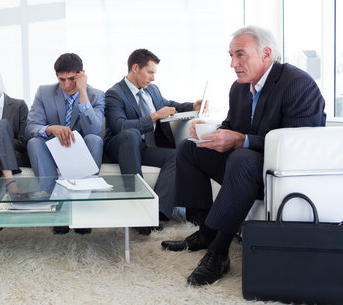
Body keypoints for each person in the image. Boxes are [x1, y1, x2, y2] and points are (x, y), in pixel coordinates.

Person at [161, 25, 326, 286]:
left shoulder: (298, 84)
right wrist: (210, 133)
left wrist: (241, 140)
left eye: (240, 55)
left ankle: (219, 252)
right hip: (243, 165)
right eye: (230, 55)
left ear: (266, 54)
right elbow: (231, 125)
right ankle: (205, 231)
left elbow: (297, 145)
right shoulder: (239, 88)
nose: (232, 63)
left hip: (277, 172)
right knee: (189, 148)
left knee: (241, 158)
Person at [104, 49, 204, 234]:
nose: (153, 78)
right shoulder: (115, 93)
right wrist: (154, 116)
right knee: (131, 134)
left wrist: (192, 106)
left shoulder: (152, 90)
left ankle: (154, 213)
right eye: (150, 72)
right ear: (135, 68)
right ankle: (136, 207)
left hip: (144, 148)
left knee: (177, 155)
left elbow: (168, 104)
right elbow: (120, 126)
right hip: (121, 146)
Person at [25, 53, 105, 235]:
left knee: (95, 140)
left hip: (81, 151)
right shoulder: (44, 92)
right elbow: (30, 127)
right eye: (62, 80)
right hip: (52, 151)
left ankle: (81, 209)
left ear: (81, 75)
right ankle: (55, 207)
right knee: (34, 142)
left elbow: (94, 130)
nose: (67, 85)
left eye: (72, 79)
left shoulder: (96, 95)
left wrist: (83, 93)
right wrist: (50, 129)